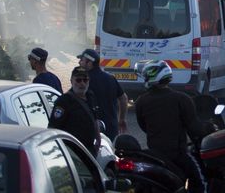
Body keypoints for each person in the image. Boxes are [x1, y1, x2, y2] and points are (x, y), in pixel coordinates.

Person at [135, 61, 212, 193]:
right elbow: (194, 128)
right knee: (201, 181)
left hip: (154, 154)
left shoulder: (141, 101)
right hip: (178, 154)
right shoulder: (182, 99)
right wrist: (209, 129)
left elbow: (144, 126)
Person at [77, 48, 128, 140]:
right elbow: (123, 98)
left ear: (89, 63)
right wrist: (121, 119)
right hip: (111, 129)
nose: (79, 62)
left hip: (92, 129)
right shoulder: (110, 78)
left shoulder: (83, 81)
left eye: (82, 60)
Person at [48, 67, 100, 155]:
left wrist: (98, 138)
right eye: (78, 80)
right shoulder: (63, 101)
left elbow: (95, 119)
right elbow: (53, 128)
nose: (82, 83)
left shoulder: (91, 96)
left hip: (89, 149)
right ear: (71, 81)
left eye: (85, 80)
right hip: (72, 151)